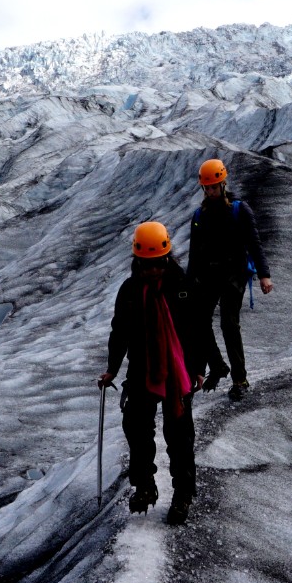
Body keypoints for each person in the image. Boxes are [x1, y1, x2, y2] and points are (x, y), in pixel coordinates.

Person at [98, 222, 211, 524]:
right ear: (137, 261)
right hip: (142, 369)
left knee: (179, 437)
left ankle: (183, 494)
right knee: (136, 427)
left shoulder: (182, 287)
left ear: (166, 258)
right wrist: (112, 368)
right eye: (146, 266)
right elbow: (119, 332)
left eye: (156, 265)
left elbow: (197, 330)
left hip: (178, 372)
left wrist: (198, 368)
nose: (152, 271)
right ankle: (145, 485)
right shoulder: (131, 291)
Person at [186, 158, 274, 402]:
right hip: (209, 275)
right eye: (207, 188)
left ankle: (239, 378)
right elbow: (195, 254)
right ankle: (217, 365)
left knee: (228, 323)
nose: (210, 191)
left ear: (223, 184)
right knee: (199, 321)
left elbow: (254, 243)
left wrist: (264, 275)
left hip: (234, 274)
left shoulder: (239, 209)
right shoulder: (199, 216)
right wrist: (188, 284)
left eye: (213, 187)